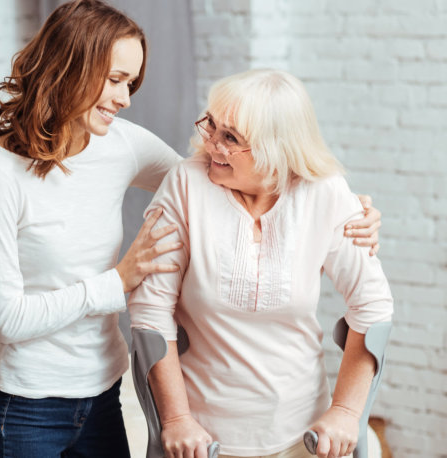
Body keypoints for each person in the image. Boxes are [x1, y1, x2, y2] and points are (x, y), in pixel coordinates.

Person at [0, 1, 381, 456]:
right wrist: (119, 281)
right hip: (27, 403)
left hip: (103, 392)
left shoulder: (121, 144)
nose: (126, 100)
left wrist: (343, 212)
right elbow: (8, 320)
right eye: (115, 80)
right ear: (70, 68)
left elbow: (203, 180)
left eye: (131, 83)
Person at [128, 68, 394, 458]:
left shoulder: (326, 194)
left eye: (230, 138)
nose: (211, 145)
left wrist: (345, 412)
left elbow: (373, 307)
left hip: (304, 434)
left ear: (276, 148)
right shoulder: (186, 186)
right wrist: (176, 420)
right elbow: (150, 313)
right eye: (212, 126)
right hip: (204, 439)